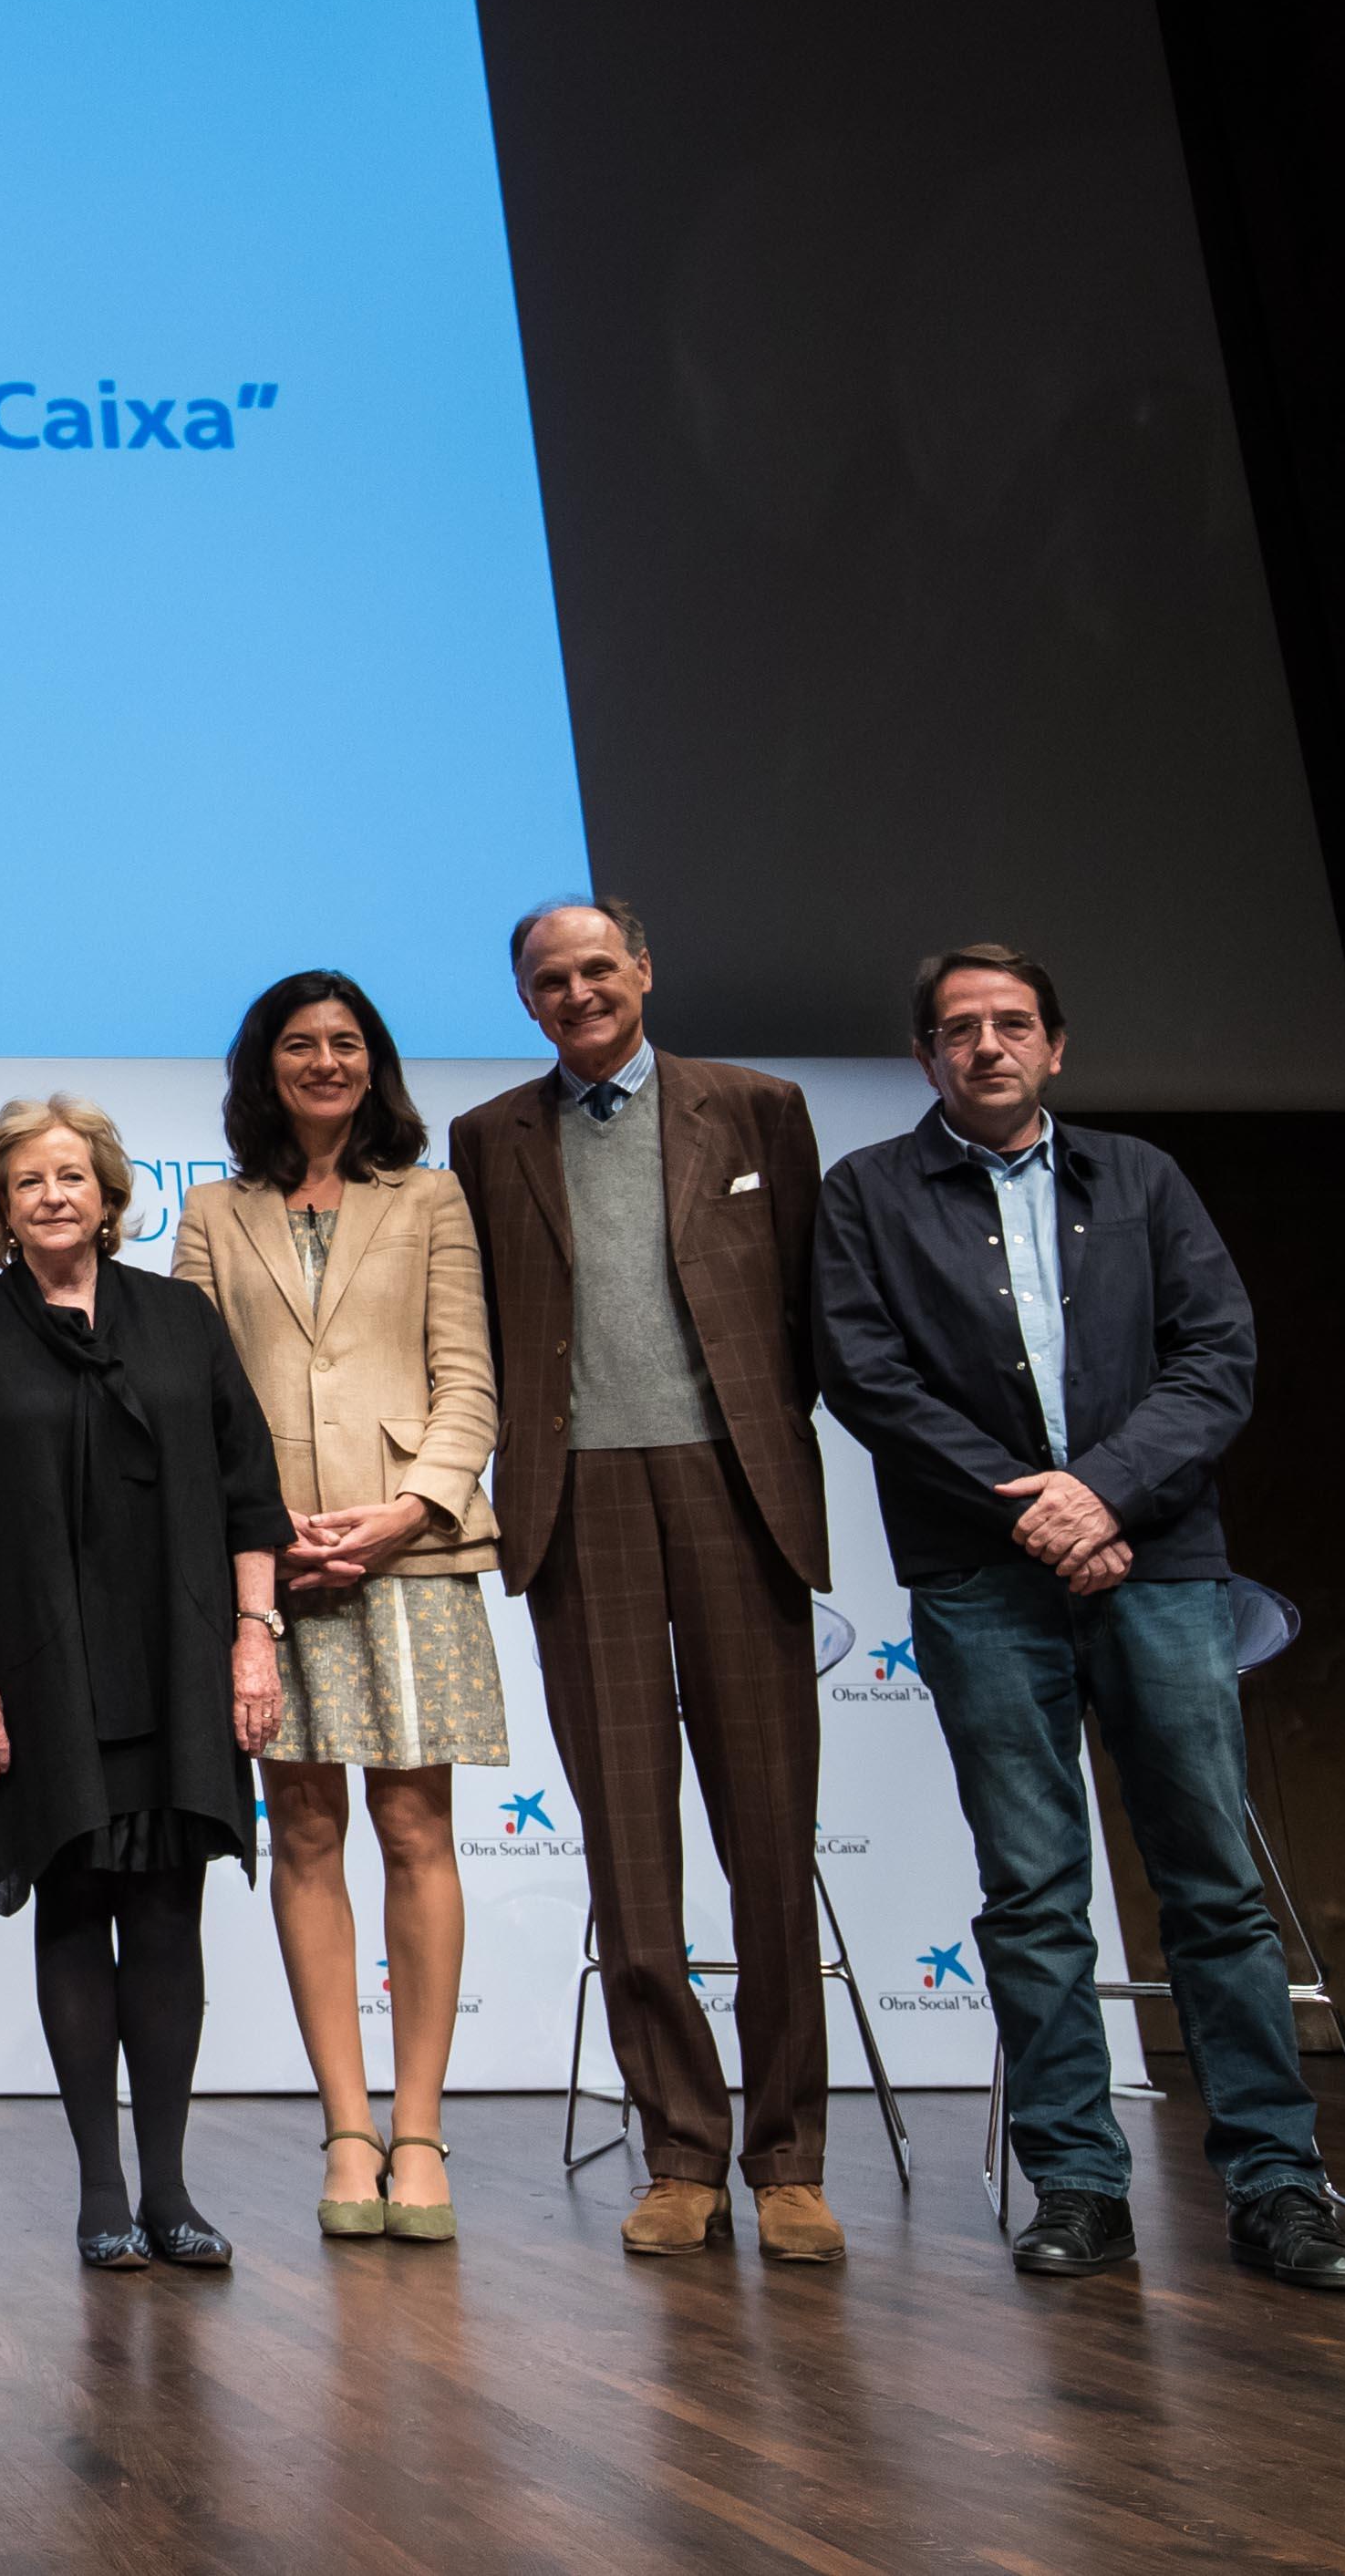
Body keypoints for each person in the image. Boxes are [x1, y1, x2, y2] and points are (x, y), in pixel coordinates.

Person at [814, 945, 1345, 2292]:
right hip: (978, 1575)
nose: (986, 1045)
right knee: (1031, 1889)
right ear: (923, 1055)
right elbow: (863, 1373)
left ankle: (1276, 2187)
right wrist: (1034, 1508)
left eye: (1012, 1024)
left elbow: (1215, 1353)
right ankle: (1076, 2181)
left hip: (1158, 1564)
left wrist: (1101, 1491)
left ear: (1054, 1045)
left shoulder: (1140, 1179)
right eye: (958, 1028)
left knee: (1212, 1889)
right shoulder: (866, 1193)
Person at [447, 897, 842, 2264]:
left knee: (768, 1838)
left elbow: (804, 1305)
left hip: (735, 1483)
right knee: (628, 1848)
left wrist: (754, 1433)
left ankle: (789, 2153)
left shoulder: (757, 1106)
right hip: (578, 1497)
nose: (576, 993)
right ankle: (679, 2149)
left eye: (595, 968)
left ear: (643, 971)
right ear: (526, 1000)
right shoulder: (486, 1137)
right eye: (549, 979)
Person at [0, 1095, 290, 2271]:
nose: (53, 1197)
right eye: (27, 1182)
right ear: (0, 1210)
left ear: (111, 1196)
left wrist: (253, 1636)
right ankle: (98, 2190)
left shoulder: (180, 1320)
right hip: (37, 1673)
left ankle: (171, 2189)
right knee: (75, 1908)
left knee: (169, 1915)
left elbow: (247, 1493)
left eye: (71, 1176)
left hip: (180, 1660)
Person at [172, 971, 503, 2244]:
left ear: (374, 1062)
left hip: (408, 1554)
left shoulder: (430, 1198)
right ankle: (348, 2126)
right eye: (299, 1043)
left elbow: (468, 1381)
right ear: (264, 1065)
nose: (324, 1059)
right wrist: (259, 1535)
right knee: (302, 1831)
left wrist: (408, 1508)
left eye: (345, 1041)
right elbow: (193, 1389)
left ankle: (418, 2126)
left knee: (417, 1827)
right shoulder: (213, 1208)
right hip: (270, 1566)